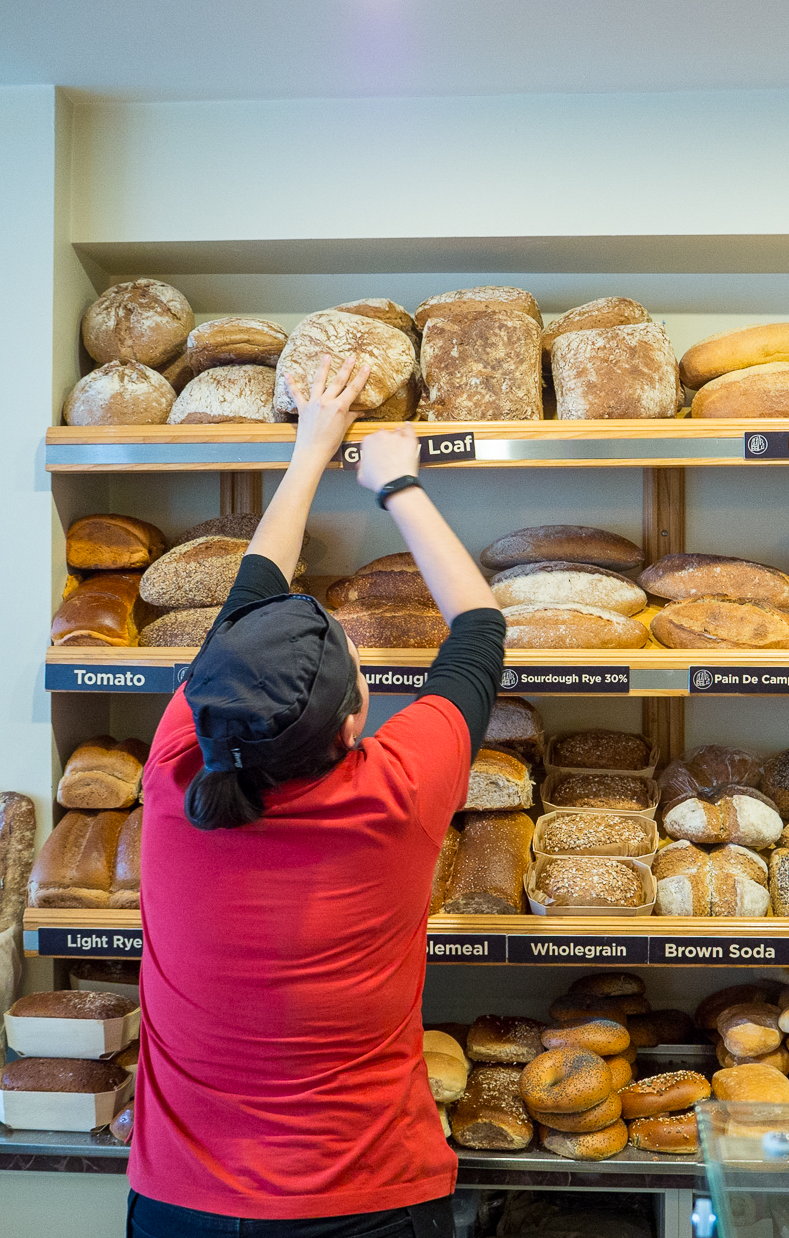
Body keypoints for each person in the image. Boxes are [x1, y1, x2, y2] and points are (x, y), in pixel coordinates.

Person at [128, 354, 505, 1238]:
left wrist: (312, 448)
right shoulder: (399, 793)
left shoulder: (177, 770)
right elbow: (482, 626)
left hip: (184, 1203)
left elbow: (245, 599)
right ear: (353, 728)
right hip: (364, 1200)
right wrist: (396, 480)